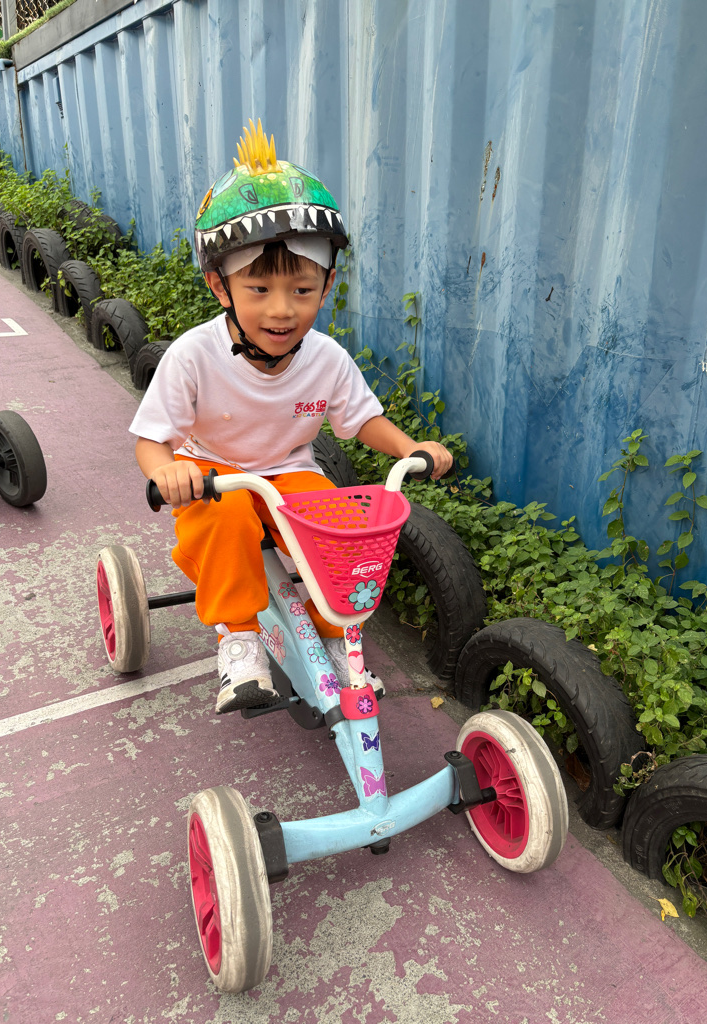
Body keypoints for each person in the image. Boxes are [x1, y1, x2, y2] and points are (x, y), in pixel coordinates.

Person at [130, 119, 451, 714]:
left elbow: (362, 420)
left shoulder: (325, 358)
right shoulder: (194, 355)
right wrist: (166, 471)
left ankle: (338, 638)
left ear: (326, 287)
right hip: (214, 472)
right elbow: (153, 438)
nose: (282, 311)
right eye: (259, 290)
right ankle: (238, 638)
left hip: (289, 472)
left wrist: (411, 448)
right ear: (220, 286)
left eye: (302, 291)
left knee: (341, 526)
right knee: (226, 515)